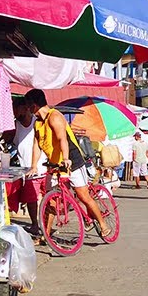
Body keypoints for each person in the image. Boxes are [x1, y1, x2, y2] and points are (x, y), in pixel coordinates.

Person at [21, 89, 113, 242]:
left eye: (28, 105)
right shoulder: (37, 123)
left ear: (34, 105)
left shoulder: (54, 117)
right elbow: (36, 145)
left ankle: (103, 224)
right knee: (50, 201)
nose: (27, 109)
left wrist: (66, 158)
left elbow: (62, 139)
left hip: (72, 161)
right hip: (54, 164)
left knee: (84, 196)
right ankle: (46, 234)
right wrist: (33, 165)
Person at [11, 97, 41, 233]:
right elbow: (9, 142)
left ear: (26, 108)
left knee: (47, 200)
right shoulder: (16, 126)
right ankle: (35, 224)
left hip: (42, 167)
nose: (16, 113)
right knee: (31, 200)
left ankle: (45, 227)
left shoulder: (37, 123)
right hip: (27, 170)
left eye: (17, 110)